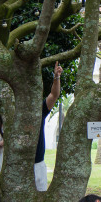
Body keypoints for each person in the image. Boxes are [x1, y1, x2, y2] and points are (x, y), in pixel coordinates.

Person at [34, 62, 62, 191]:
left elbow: (54, 95)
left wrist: (56, 77)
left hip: (38, 163)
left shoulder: (38, 110)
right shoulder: (12, 112)